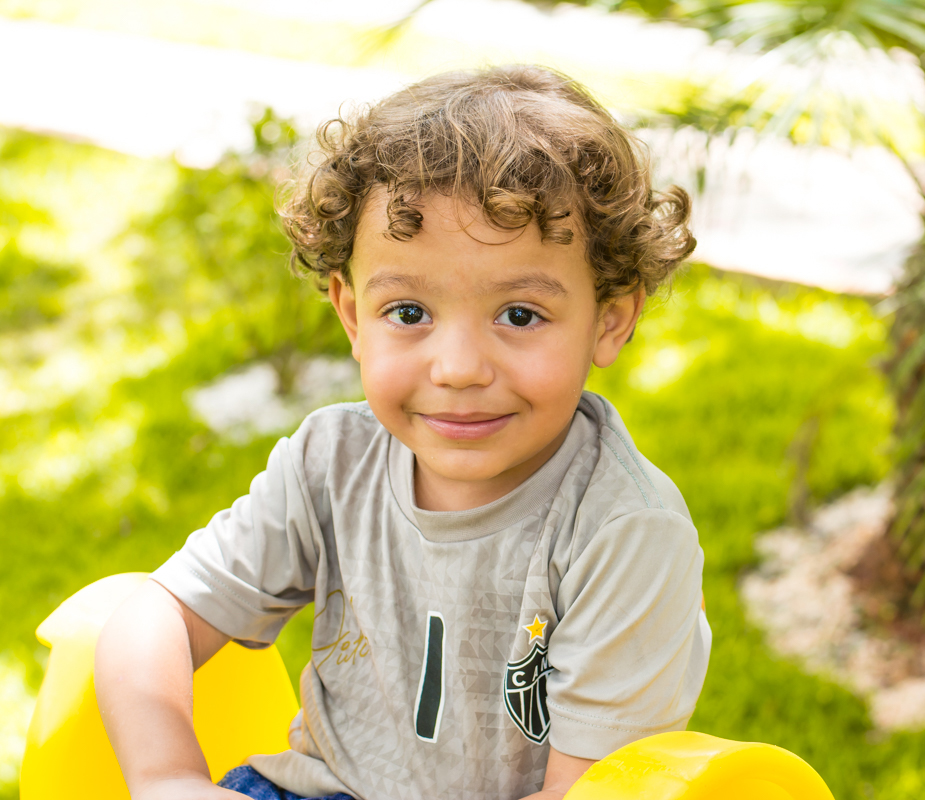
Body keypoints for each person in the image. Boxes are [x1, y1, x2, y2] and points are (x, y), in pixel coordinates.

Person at [94, 64, 711, 800]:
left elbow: (586, 794)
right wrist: (166, 777)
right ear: (352, 315)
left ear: (611, 317)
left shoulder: (621, 532)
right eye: (409, 312)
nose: (456, 369)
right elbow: (156, 613)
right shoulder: (332, 463)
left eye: (519, 314)